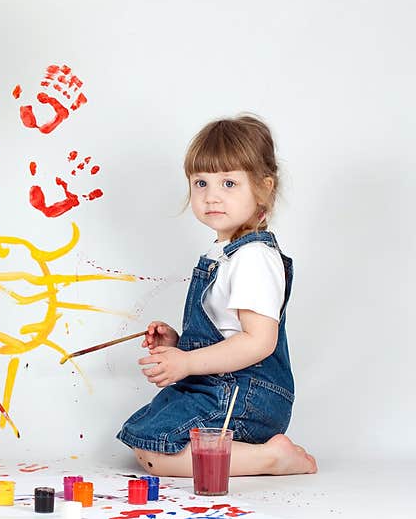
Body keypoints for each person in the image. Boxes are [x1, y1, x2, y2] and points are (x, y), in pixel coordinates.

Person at [117, 114, 317, 477]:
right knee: (143, 440)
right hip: (217, 386)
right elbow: (224, 332)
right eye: (200, 183)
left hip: (245, 395)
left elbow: (259, 342)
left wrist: (187, 364)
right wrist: (179, 345)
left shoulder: (253, 257)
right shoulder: (225, 255)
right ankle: (257, 454)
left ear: (264, 188)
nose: (212, 196)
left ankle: (273, 458)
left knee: (156, 454)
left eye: (228, 183)